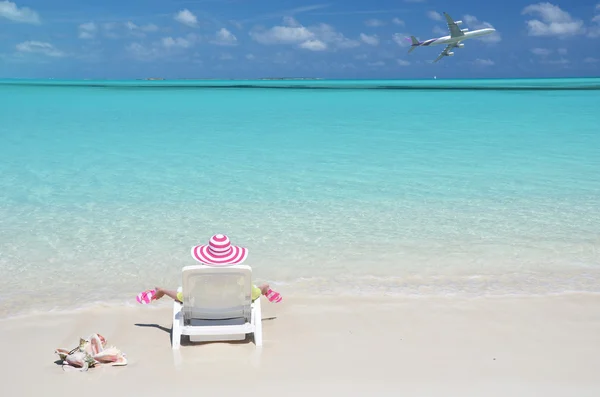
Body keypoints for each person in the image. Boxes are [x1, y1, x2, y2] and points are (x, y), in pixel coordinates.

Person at [137, 233, 281, 304]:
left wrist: (164, 291)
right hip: (234, 309)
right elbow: (252, 294)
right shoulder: (238, 276)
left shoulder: (200, 277)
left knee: (183, 293)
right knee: (256, 290)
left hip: (204, 311)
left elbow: (183, 298)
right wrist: (260, 290)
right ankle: (266, 288)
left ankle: (160, 290)